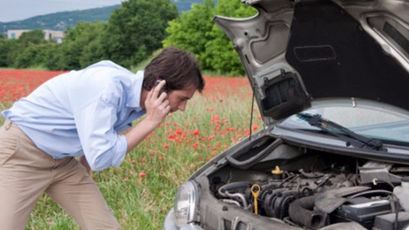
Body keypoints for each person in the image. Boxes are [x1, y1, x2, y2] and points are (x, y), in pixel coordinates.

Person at [0, 47, 205, 229]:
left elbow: (99, 134)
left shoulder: (134, 98)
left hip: (62, 162)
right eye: (182, 99)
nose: (182, 108)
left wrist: (85, 160)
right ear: (159, 86)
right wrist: (150, 122)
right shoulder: (107, 88)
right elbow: (102, 158)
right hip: (22, 153)